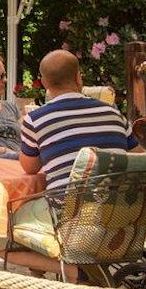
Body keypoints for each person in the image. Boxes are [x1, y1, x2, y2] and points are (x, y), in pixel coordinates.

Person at [19, 50, 135, 188]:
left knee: (17, 208)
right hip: (122, 206)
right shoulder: (114, 114)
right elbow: (140, 156)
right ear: (78, 77)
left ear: (44, 83)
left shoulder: (36, 120)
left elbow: (30, 168)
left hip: (68, 207)